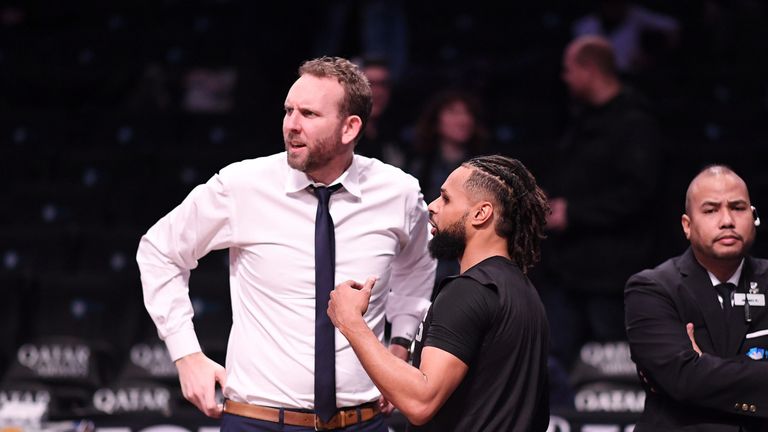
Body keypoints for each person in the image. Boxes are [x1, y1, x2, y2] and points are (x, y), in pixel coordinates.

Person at [136, 56, 436, 431]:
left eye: (308, 114)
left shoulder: (398, 192)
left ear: (350, 127)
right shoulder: (242, 186)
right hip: (259, 420)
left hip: (364, 422)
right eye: (288, 110)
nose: (291, 125)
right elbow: (159, 251)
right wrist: (186, 355)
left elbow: (418, 268)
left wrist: (399, 347)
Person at [328, 155, 551, 431]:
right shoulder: (525, 292)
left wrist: (351, 323)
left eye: (446, 199)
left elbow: (420, 402)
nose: (432, 207)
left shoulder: (468, 291)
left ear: (481, 214)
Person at [537, 35, 661, 378]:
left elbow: (638, 195)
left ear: (589, 69)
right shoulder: (580, 119)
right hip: (568, 270)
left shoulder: (635, 122)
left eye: (568, 69)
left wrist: (572, 212)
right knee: (553, 364)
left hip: (612, 274)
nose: (564, 77)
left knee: (615, 369)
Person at [625, 165, 768, 431]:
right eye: (711, 210)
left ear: (754, 216)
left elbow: (692, 377)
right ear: (687, 226)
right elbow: (682, 378)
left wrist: (703, 366)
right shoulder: (651, 288)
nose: (727, 220)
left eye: (737, 208)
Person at [407, 89, 492, 294]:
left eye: (467, 113)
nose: (462, 120)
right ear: (437, 120)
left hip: (471, 259)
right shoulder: (420, 166)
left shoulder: (486, 168)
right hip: (429, 258)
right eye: (453, 112)